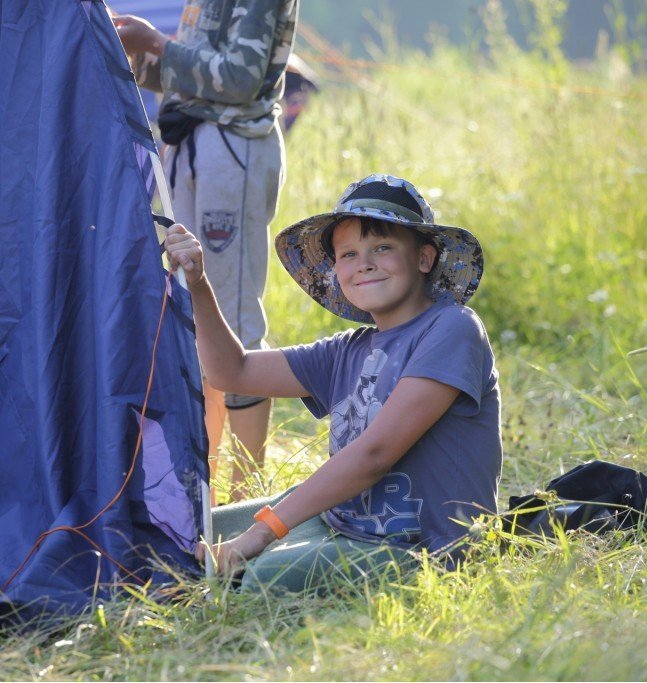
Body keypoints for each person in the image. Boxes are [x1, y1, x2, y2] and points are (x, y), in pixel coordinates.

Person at [165, 174, 502, 589]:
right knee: (177, 533)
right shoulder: (349, 348)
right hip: (341, 523)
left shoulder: (452, 328)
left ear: (424, 259)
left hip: (421, 550)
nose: (365, 263)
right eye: (348, 254)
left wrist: (259, 533)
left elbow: (375, 455)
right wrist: (197, 284)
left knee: (260, 581)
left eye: (383, 247)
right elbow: (232, 372)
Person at [113, 1, 298, 499]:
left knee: (231, 313)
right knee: (194, 313)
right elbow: (189, 77)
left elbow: (238, 79)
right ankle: (206, 476)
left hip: (231, 147)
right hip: (190, 143)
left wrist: (154, 41)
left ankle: (248, 491)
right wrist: (129, 48)